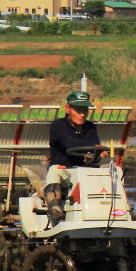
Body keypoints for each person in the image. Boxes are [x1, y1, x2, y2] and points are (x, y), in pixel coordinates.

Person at [43, 91, 105, 224]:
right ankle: (55, 208)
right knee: (54, 171)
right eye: (78, 110)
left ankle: (110, 208)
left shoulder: (90, 127)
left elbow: (95, 146)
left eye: (85, 110)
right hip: (65, 171)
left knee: (109, 171)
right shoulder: (57, 126)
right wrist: (93, 148)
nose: (82, 114)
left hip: (85, 171)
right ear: (67, 109)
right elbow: (69, 144)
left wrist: (98, 152)